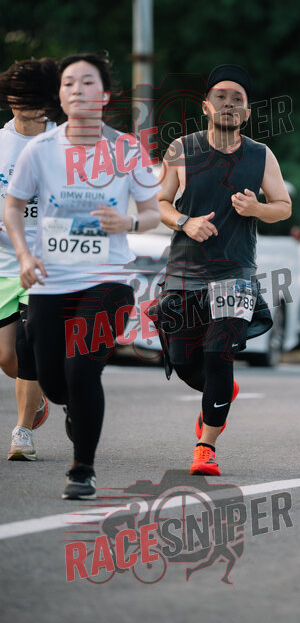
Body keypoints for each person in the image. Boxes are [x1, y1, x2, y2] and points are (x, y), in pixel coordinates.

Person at [4, 53, 160, 499]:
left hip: (108, 279)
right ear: (59, 95)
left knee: (83, 368)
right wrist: (24, 255)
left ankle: (82, 469)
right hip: (51, 280)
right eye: (68, 82)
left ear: (105, 95)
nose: (77, 89)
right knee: (54, 382)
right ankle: (70, 405)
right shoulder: (40, 149)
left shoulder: (125, 149)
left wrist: (128, 222)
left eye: (87, 82)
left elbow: (152, 211)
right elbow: (13, 205)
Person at [156, 64, 291, 476]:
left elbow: (283, 207)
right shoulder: (181, 149)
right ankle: (221, 391)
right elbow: (160, 204)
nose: (228, 104)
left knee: (219, 354)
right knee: (183, 361)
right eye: (221, 97)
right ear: (206, 107)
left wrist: (256, 208)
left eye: (237, 99)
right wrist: (185, 222)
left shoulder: (261, 155)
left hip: (235, 274)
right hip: (185, 271)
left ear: (247, 112)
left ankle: (206, 447)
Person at [0, 58, 63, 460]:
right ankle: (40, 397)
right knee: (6, 356)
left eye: (35, 97)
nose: (26, 104)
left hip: (47, 262)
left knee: (28, 345)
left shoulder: (65, 144)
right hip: (3, 261)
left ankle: (22, 432)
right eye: (20, 96)